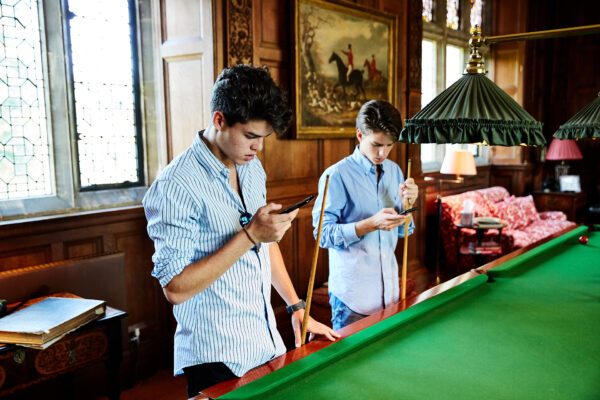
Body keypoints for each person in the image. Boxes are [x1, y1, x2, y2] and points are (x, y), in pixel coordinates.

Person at [143, 65, 339, 397]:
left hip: (264, 342)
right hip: (215, 356)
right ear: (219, 120)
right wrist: (250, 235)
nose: (258, 147)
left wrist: (295, 306)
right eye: (250, 136)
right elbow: (175, 288)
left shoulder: (250, 166)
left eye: (263, 138)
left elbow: (265, 242)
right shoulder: (175, 185)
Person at [312, 100, 419, 331]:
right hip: (352, 299)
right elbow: (322, 235)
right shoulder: (336, 175)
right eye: (376, 144)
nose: (383, 153)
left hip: (390, 293)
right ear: (360, 135)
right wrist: (370, 224)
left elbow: (403, 232)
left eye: (389, 146)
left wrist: (407, 206)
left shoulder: (395, 171)